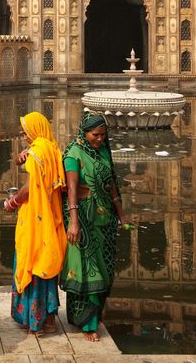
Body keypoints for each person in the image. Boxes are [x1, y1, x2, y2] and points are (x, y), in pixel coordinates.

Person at [59, 113, 131, 342]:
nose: (99, 139)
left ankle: (93, 315)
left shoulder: (102, 151)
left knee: (104, 268)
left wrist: (122, 215)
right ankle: (88, 324)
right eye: (95, 135)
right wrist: (74, 222)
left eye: (102, 135)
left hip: (104, 220)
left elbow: (111, 185)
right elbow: (71, 190)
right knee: (88, 271)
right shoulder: (74, 154)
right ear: (84, 132)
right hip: (83, 220)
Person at [5, 111, 67, 335]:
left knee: (31, 262)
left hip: (34, 219)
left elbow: (30, 188)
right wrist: (23, 156)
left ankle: (35, 322)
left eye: (26, 132)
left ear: (35, 130)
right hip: (49, 217)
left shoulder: (37, 152)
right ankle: (49, 320)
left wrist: (12, 202)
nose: (24, 136)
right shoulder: (51, 148)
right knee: (46, 264)